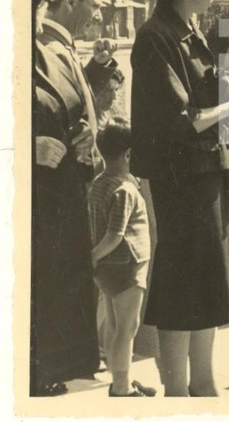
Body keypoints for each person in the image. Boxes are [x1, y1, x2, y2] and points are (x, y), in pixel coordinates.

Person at [131, 0, 229, 397]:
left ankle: (202, 381)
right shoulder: (156, 37)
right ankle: (179, 389)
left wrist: (228, 82)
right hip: (181, 181)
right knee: (182, 288)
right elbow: (182, 121)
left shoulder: (190, 34)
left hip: (206, 178)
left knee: (206, 287)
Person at [32, 0, 115, 396]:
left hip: (67, 188)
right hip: (45, 198)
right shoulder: (40, 45)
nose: (99, 14)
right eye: (94, 3)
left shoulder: (59, 46)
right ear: (67, 2)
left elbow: (65, 104)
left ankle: (59, 366)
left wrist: (85, 133)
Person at [88, 118, 156, 397]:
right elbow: (115, 234)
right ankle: (121, 386)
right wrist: (92, 256)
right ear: (129, 154)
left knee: (115, 326)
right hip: (126, 265)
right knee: (127, 328)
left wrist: (94, 260)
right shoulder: (125, 189)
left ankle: (121, 377)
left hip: (108, 269)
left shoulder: (99, 183)